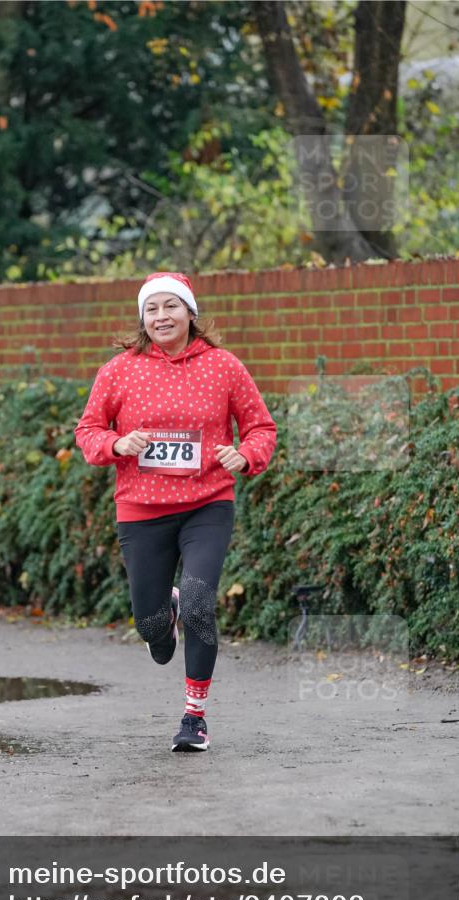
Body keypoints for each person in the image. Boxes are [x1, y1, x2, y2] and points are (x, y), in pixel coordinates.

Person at [74, 272, 277, 752]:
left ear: (191, 313)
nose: (161, 317)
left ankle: (195, 717)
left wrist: (246, 456)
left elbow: (260, 427)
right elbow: (87, 431)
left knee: (202, 601)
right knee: (152, 632)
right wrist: (117, 442)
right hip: (141, 509)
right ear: (142, 318)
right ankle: (162, 615)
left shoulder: (224, 366)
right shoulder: (119, 370)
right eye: (152, 309)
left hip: (207, 503)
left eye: (171, 306)